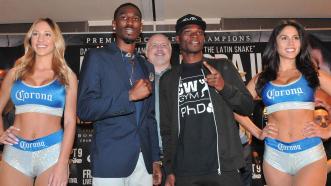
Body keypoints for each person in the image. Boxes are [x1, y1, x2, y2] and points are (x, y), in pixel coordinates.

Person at [159, 14, 254, 186]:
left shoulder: (222, 66)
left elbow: (247, 107)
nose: (194, 35)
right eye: (188, 32)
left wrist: (223, 87)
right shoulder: (169, 79)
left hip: (223, 168)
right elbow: (166, 130)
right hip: (184, 172)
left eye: (199, 32)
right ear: (178, 39)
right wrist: (169, 170)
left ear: (204, 37)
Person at [236, 20, 331, 186]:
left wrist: (328, 131)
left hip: (309, 154)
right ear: (275, 43)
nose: (291, 43)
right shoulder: (262, 79)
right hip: (275, 157)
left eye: (296, 37)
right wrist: (257, 132)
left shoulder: (313, 74)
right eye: (284, 38)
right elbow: (235, 107)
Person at [77, 3, 161, 186]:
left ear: (141, 26)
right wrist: (129, 96)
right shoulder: (96, 57)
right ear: (114, 25)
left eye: (136, 18)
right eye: (124, 17)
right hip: (110, 160)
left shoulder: (147, 66)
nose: (130, 21)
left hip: (143, 162)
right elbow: (84, 109)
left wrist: (155, 159)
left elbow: (149, 118)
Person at [0, 18, 77, 186]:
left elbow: (70, 122)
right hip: (15, 152)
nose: (40, 39)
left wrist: (63, 163)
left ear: (55, 40)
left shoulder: (67, 76)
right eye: (36, 34)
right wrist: (0, 133)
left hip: (51, 154)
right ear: (30, 39)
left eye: (47, 34)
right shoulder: (15, 73)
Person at [146, 33, 172, 185]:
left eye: (164, 45)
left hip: (179, 157)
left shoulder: (182, 78)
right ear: (146, 51)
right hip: (144, 157)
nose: (160, 49)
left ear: (171, 50)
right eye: (155, 45)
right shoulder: (134, 80)